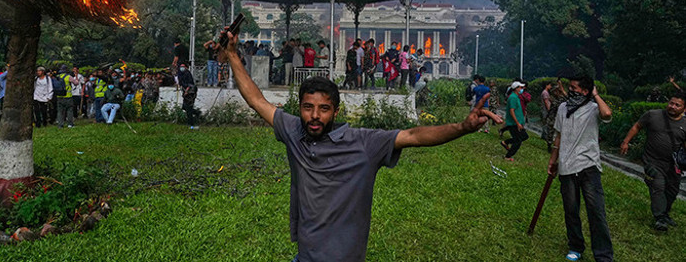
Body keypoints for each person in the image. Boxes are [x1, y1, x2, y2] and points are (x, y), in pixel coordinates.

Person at [218, 27, 501, 262]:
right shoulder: (294, 131)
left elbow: (414, 136)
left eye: (324, 109)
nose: (315, 116)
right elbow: (257, 100)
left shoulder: (363, 143)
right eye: (307, 107)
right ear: (300, 108)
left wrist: (462, 128)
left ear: (336, 112)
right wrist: (232, 54)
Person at [547, 76, 613, 262]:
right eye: (570, 87)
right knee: (571, 210)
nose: (571, 90)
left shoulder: (593, 109)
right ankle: (576, 247)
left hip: (588, 166)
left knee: (596, 212)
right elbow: (559, 135)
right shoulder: (562, 108)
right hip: (567, 166)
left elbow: (607, 114)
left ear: (585, 91)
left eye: (574, 87)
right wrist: (553, 160)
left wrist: (596, 95)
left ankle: (603, 255)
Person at [620, 91, 686, 231]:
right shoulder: (653, 115)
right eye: (671, 103)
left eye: (677, 105)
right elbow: (637, 126)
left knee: (672, 191)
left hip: (673, 164)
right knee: (658, 185)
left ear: (684, 109)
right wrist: (626, 142)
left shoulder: (685, 124)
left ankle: (665, 213)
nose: (673, 106)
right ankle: (659, 218)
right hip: (652, 160)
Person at [501, 81, 528, 161]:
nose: (522, 89)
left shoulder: (516, 97)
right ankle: (508, 156)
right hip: (513, 123)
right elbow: (512, 111)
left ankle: (506, 142)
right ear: (516, 89)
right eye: (520, 87)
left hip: (517, 122)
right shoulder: (512, 97)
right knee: (518, 141)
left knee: (524, 136)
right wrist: (517, 123)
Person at [541, 80, 567, 152]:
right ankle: (550, 146)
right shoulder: (555, 99)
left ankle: (554, 146)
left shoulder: (558, 99)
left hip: (557, 118)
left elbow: (567, 98)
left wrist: (561, 88)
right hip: (553, 118)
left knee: (556, 134)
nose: (558, 92)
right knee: (551, 133)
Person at [178, 63, 199, 129]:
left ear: (186, 67)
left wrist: (187, 91)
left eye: (183, 67)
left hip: (190, 92)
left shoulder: (188, 73)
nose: (181, 68)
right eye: (181, 67)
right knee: (184, 107)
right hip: (185, 91)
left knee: (188, 108)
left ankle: (191, 124)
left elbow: (190, 84)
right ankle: (197, 113)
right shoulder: (181, 74)